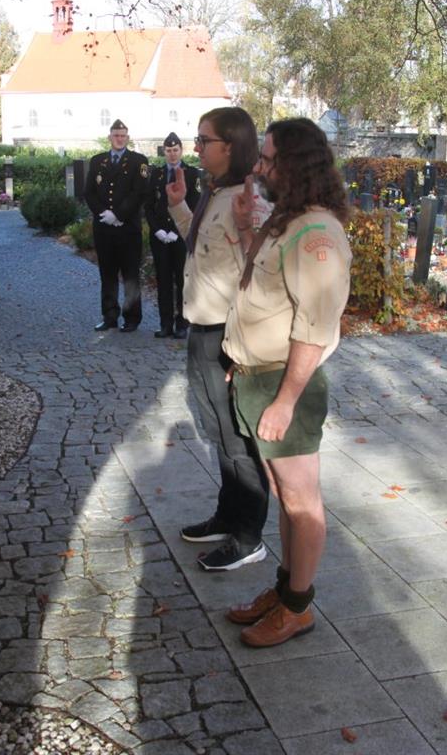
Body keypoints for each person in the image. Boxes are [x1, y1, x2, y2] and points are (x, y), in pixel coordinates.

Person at [222, 118, 352, 647]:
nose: (259, 167)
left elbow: (314, 328)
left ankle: (298, 607)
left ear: (294, 164)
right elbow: (263, 290)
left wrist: (284, 401)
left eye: (267, 159)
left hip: (285, 385)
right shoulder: (289, 219)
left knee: (301, 499)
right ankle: (285, 589)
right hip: (261, 379)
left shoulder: (316, 232)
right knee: (283, 494)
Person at [165, 107, 272, 572]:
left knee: (237, 439)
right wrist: (179, 206)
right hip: (202, 328)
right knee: (218, 434)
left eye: (204, 140)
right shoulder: (217, 192)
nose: (196, 147)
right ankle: (228, 516)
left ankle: (249, 536)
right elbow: (204, 249)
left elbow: (263, 269)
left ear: (230, 146)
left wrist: (244, 349)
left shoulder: (248, 197)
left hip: (228, 335)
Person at [85, 119, 149, 332]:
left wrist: (119, 214)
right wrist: (104, 213)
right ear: (109, 137)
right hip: (104, 227)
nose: (119, 139)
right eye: (116, 135)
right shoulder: (97, 161)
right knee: (107, 274)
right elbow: (89, 192)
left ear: (127, 138)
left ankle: (132, 318)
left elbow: (139, 192)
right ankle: (109, 316)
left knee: (130, 275)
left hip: (128, 228)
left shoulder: (138, 161)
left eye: (123, 136)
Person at [144, 132, 199, 339]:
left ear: (181, 151)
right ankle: (165, 323)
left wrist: (177, 232)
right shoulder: (156, 174)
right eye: (168, 151)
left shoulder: (191, 173)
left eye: (175, 150)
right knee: (163, 280)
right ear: (164, 152)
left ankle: (182, 323)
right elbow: (149, 205)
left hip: (181, 236)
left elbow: (195, 206)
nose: (172, 154)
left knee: (182, 280)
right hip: (160, 237)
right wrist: (156, 229)